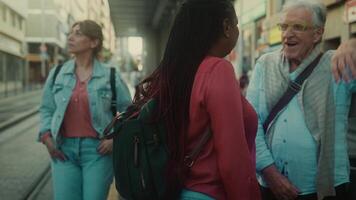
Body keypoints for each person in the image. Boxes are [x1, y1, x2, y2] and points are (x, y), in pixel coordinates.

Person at [127, 0, 260, 199]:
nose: (238, 31)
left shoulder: (175, 72)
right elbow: (233, 161)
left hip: (178, 190)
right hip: (211, 193)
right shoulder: (218, 70)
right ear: (226, 27)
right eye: (237, 25)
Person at [246, 0, 356, 200]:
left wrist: (354, 44)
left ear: (317, 33)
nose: (288, 34)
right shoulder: (265, 65)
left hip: (328, 190)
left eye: (297, 27)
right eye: (285, 26)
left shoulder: (338, 64)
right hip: (270, 187)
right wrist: (269, 173)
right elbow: (251, 124)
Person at [38, 20, 131, 200]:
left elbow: (130, 111)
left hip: (97, 152)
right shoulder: (57, 73)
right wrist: (46, 136)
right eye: (71, 33)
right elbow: (46, 108)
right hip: (63, 150)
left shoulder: (110, 75)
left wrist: (115, 138)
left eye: (78, 33)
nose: (70, 37)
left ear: (94, 42)